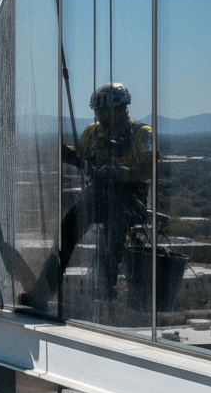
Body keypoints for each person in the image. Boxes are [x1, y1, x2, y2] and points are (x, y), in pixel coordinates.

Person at [23, 82, 154, 308]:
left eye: (105, 111)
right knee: (67, 230)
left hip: (129, 198)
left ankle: (104, 283)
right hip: (98, 195)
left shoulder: (141, 133)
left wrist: (123, 173)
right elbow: (83, 155)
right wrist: (66, 153)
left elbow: (149, 168)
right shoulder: (93, 132)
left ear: (122, 109)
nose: (100, 116)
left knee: (115, 225)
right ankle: (42, 292)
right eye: (98, 111)